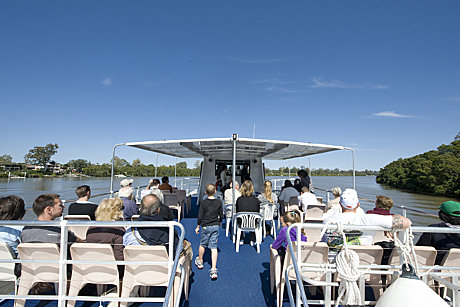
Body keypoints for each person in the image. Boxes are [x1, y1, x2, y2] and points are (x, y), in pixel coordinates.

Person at [322, 189, 411, 252]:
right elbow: (407, 222)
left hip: (333, 267)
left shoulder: (328, 221)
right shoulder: (369, 219)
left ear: (340, 204)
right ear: (358, 205)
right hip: (363, 266)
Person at [123, 194, 193, 258]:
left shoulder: (130, 232)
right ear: (158, 210)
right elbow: (178, 250)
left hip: (137, 269)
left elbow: (125, 244)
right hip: (165, 270)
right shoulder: (169, 232)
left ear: (140, 208)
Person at [85, 198, 125, 275]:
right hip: (113, 271)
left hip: (92, 268)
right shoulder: (118, 231)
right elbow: (119, 258)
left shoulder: (91, 229)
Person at [195, 184, 223, 280]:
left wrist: (198, 226)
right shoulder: (219, 202)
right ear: (215, 191)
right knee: (214, 247)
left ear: (205, 192)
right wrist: (219, 222)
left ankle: (200, 261)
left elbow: (200, 215)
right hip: (215, 225)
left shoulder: (203, 203)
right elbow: (221, 214)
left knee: (203, 244)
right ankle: (214, 269)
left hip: (206, 226)